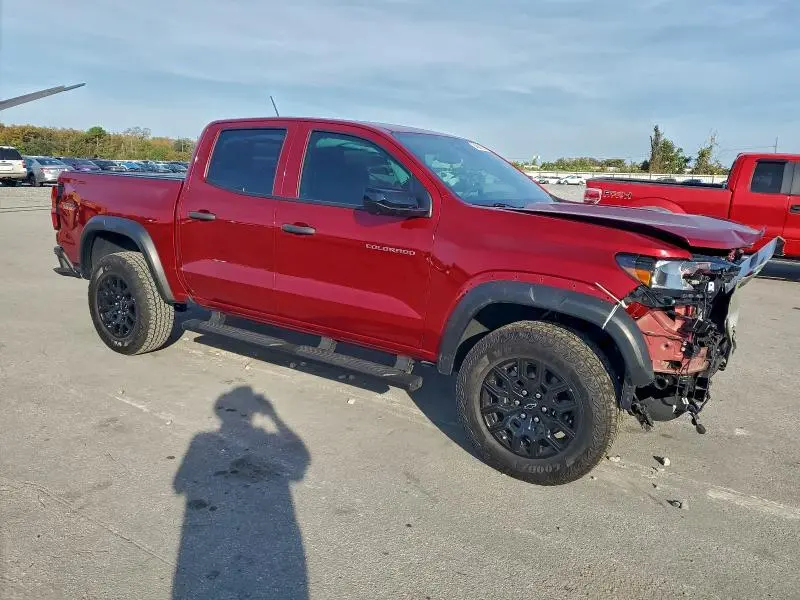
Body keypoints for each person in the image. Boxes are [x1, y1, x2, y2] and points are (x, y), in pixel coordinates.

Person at [172, 386, 310, 599]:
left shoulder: (201, 439)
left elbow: (178, 485)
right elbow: (301, 465)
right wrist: (274, 416)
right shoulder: (202, 439)